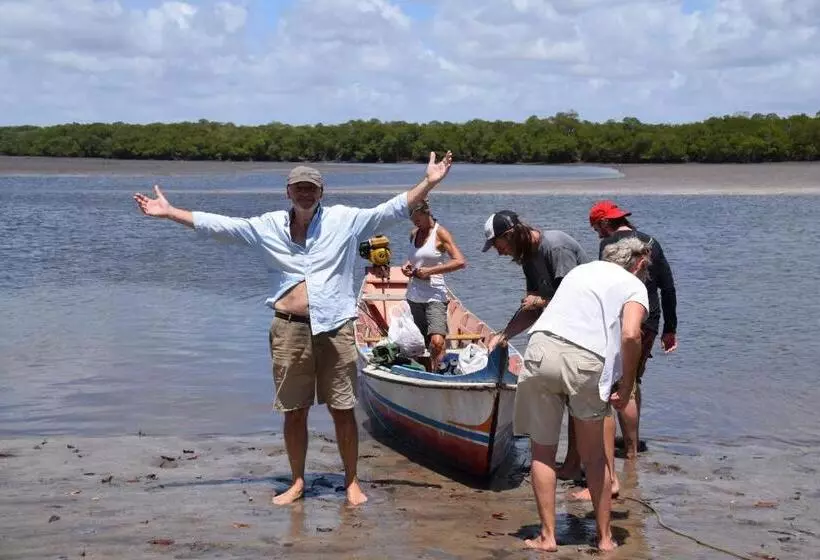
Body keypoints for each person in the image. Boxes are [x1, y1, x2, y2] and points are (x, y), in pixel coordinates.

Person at [133, 151, 453, 506]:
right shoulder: (267, 226)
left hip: (336, 328)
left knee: (343, 408)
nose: (305, 194)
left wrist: (429, 182)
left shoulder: (343, 220)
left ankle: (351, 483)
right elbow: (220, 226)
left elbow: (390, 209)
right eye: (299, 188)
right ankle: (297, 482)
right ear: (288, 192)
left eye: (311, 188)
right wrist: (170, 212)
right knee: (293, 410)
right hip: (288, 330)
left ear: (321, 192)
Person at [514, 237, 651, 552]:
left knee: (542, 453)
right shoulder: (634, 286)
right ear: (639, 264)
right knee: (595, 457)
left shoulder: (582, 270)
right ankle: (604, 538)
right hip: (585, 359)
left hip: (540, 349)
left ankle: (547, 537)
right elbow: (631, 334)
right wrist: (627, 384)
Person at [481, 210, 590, 479]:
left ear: (510, 235)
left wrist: (539, 302)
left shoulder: (556, 246)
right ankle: (572, 464)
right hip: (563, 333)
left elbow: (575, 300)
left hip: (586, 333)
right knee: (565, 400)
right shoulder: (528, 257)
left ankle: (581, 466)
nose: (499, 252)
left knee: (579, 404)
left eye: (498, 245)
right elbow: (532, 309)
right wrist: (504, 335)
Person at [589, 200, 678, 459]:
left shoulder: (608, 245)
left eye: (597, 228)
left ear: (605, 223)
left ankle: (629, 451)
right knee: (633, 379)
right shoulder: (652, 241)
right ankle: (633, 442)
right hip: (650, 318)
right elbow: (668, 288)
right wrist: (670, 329)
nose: (598, 234)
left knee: (619, 382)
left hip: (622, 317)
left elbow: (604, 286)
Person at [400, 199, 466, 372]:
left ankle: (440, 376)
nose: (415, 223)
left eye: (418, 219)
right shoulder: (414, 233)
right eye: (413, 220)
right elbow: (415, 258)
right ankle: (426, 375)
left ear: (426, 212)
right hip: (414, 296)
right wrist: (407, 266)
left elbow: (460, 262)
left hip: (435, 296)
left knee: (437, 342)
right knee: (420, 343)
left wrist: (430, 271)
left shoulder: (440, 233)